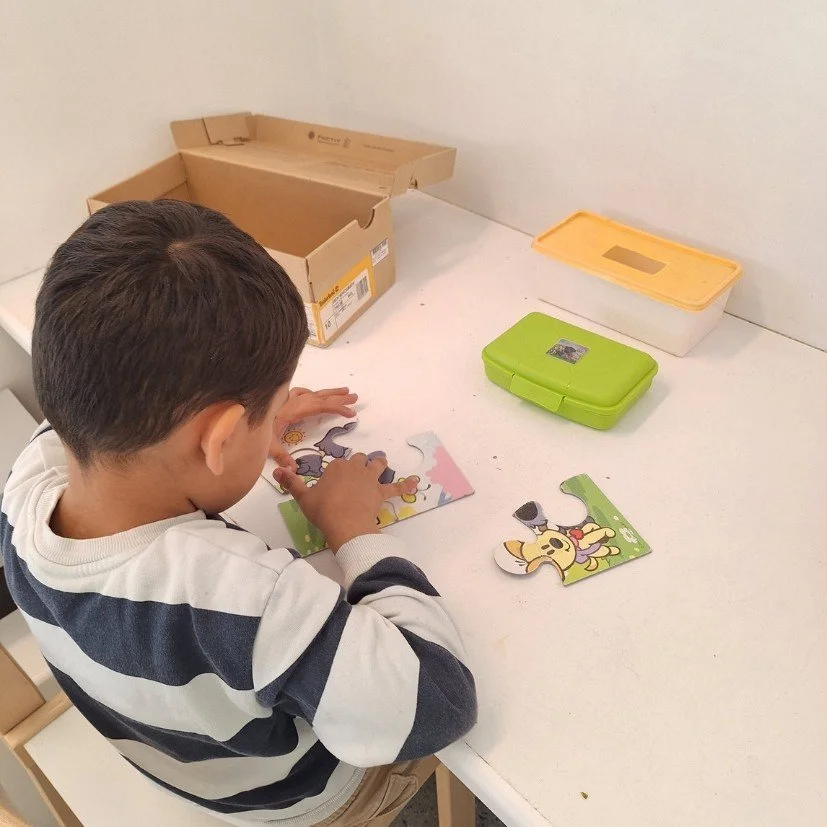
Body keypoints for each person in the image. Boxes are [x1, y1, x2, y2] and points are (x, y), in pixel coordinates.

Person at [1, 200, 477, 826]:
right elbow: (439, 702)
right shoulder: (247, 600)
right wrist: (353, 530)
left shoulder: (25, 484)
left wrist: (249, 415)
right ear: (219, 440)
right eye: (272, 409)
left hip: (173, 756)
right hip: (296, 801)